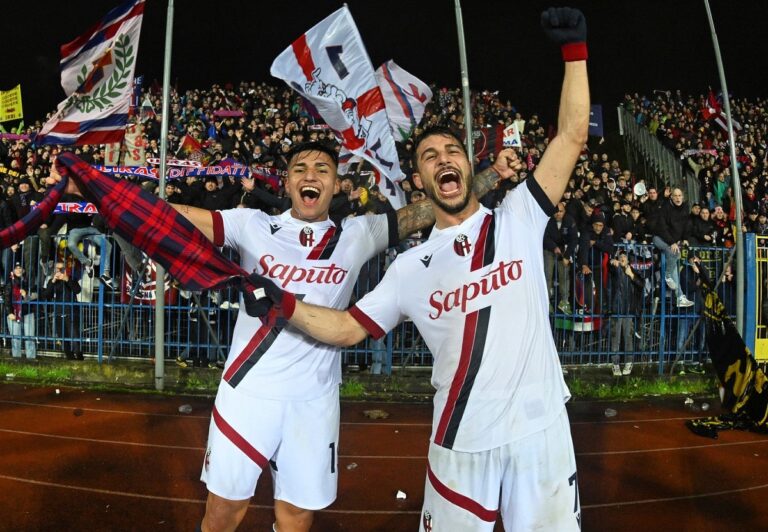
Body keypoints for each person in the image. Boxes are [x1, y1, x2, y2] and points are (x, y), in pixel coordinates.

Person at [244, 9, 589, 530]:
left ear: (468, 167)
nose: (444, 158)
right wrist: (283, 303)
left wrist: (575, 55)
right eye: (430, 155)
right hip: (458, 442)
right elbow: (347, 327)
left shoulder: (518, 215)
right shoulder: (409, 269)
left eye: (453, 150)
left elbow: (571, 137)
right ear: (420, 178)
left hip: (541, 433)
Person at [165, 141, 514, 531]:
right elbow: (175, 216)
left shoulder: (358, 234)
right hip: (247, 394)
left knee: (296, 516)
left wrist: (493, 175)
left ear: (335, 185)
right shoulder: (252, 224)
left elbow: (430, 208)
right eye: (300, 168)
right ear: (287, 182)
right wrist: (100, 193)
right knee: (224, 511)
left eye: (322, 169)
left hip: (314, 402)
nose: (310, 175)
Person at [652, 187, 695, 307]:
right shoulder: (666, 208)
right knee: (675, 254)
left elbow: (687, 226)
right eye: (675, 196)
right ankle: (667, 275)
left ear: (683, 197)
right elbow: (662, 227)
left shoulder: (685, 209)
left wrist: (685, 238)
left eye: (680, 195)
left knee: (675, 261)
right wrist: (672, 242)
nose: (678, 198)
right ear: (671, 197)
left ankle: (680, 297)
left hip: (672, 241)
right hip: (659, 238)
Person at [608, 250, 643, 375]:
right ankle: (615, 364)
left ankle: (629, 362)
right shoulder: (615, 269)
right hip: (617, 309)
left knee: (628, 338)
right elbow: (609, 267)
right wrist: (612, 261)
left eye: (624, 257)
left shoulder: (632, 270)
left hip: (629, 310)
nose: (622, 258)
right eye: (620, 256)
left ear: (628, 260)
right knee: (615, 338)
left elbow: (642, 285)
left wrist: (632, 276)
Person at [40, 260, 83, 360]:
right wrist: (53, 281)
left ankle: (80, 359)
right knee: (64, 340)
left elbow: (77, 290)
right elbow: (46, 295)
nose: (59, 271)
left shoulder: (71, 279)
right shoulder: (52, 281)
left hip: (71, 313)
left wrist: (66, 279)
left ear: (65, 270)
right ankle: (70, 360)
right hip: (59, 314)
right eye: (57, 269)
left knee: (75, 341)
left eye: (61, 269)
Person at [3, 263, 38, 359]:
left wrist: (26, 295)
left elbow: (37, 295)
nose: (18, 270)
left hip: (28, 312)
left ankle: (31, 360)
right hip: (13, 313)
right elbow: (6, 298)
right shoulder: (9, 282)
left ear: (24, 270)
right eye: (16, 268)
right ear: (13, 271)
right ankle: (16, 360)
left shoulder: (29, 281)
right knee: (16, 339)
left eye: (20, 268)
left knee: (29, 338)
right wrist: (9, 312)